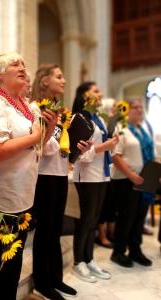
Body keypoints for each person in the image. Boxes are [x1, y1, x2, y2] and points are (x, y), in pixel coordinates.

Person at [0, 53, 57, 300]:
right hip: (0, 200)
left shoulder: (27, 106)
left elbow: (37, 150)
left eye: (24, 64)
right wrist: (36, 137)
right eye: (15, 64)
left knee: (13, 262)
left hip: (24, 196)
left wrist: (46, 132)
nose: (23, 68)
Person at [31, 64, 91, 299]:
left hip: (59, 174)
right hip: (43, 176)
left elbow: (61, 148)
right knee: (45, 230)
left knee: (55, 229)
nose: (64, 80)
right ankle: (42, 281)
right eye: (58, 76)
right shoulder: (37, 109)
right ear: (45, 81)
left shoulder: (61, 111)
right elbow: (40, 148)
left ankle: (55, 278)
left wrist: (77, 148)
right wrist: (53, 129)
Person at [71, 82, 118, 283]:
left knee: (95, 219)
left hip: (101, 174)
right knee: (86, 219)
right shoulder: (79, 118)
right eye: (96, 91)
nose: (100, 94)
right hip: (87, 174)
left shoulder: (98, 118)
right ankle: (78, 262)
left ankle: (89, 259)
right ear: (84, 95)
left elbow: (104, 148)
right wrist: (103, 147)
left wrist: (112, 144)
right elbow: (77, 156)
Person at [110, 98, 153, 267]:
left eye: (141, 107)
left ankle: (135, 250)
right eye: (135, 107)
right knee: (126, 217)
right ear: (126, 110)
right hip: (125, 180)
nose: (139, 110)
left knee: (139, 217)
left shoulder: (141, 129)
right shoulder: (122, 128)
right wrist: (131, 175)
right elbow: (115, 156)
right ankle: (118, 252)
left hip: (144, 179)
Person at [96, 98, 117, 248]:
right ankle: (102, 234)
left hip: (110, 169)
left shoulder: (114, 122)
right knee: (103, 205)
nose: (116, 108)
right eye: (114, 106)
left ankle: (111, 232)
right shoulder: (102, 122)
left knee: (111, 203)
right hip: (101, 167)